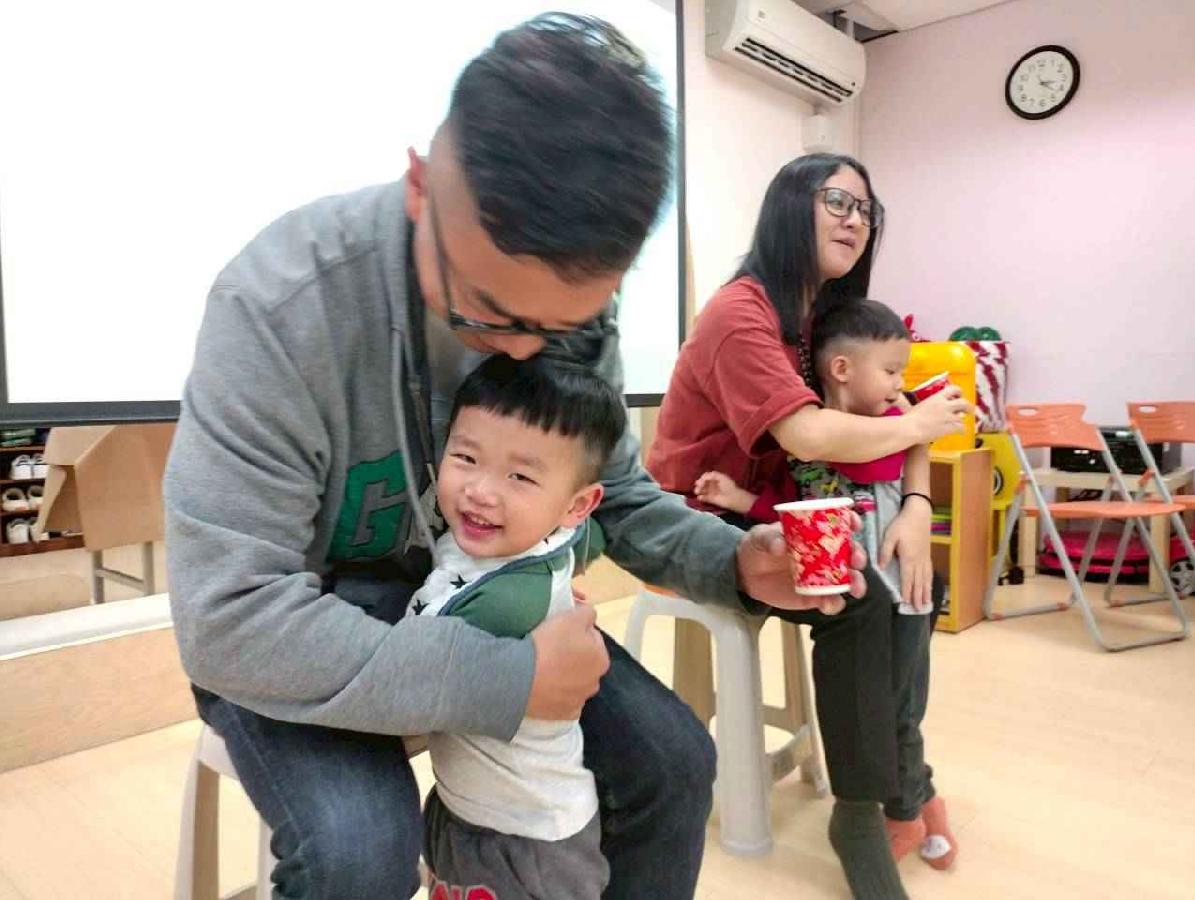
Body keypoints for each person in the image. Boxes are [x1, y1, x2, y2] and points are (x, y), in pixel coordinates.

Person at [164, 17, 868, 900]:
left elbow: (607, 493)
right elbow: (231, 619)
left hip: (480, 596)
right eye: (494, 315)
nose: (533, 353)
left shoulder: (563, 308)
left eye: (566, 324)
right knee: (358, 851)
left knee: (677, 764)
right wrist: (505, 678)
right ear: (422, 187)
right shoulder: (282, 307)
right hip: (308, 623)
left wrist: (734, 562)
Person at [647, 153, 971, 899]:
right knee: (859, 597)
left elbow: (910, 415)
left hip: (806, 507)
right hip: (710, 514)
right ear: (791, 206)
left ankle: (905, 781)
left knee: (922, 584)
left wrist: (919, 511)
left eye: (867, 209)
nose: (855, 219)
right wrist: (916, 423)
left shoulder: (826, 319)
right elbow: (811, 437)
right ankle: (865, 809)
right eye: (837, 201)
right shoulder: (741, 314)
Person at [692, 296, 960, 866]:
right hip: (858, 595)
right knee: (884, 708)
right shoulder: (811, 441)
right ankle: (921, 798)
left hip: (906, 597)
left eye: (903, 374)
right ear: (843, 369)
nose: (899, 385)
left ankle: (907, 813)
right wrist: (738, 498)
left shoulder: (886, 426)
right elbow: (789, 506)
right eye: (890, 371)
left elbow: (869, 466)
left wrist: (912, 420)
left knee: (901, 710)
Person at [413, 353, 622, 899]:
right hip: (473, 806)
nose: (481, 491)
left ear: (578, 503)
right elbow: (589, 541)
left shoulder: (496, 605)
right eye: (465, 457)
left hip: (521, 838)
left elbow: (403, 689)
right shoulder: (551, 535)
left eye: (520, 476)